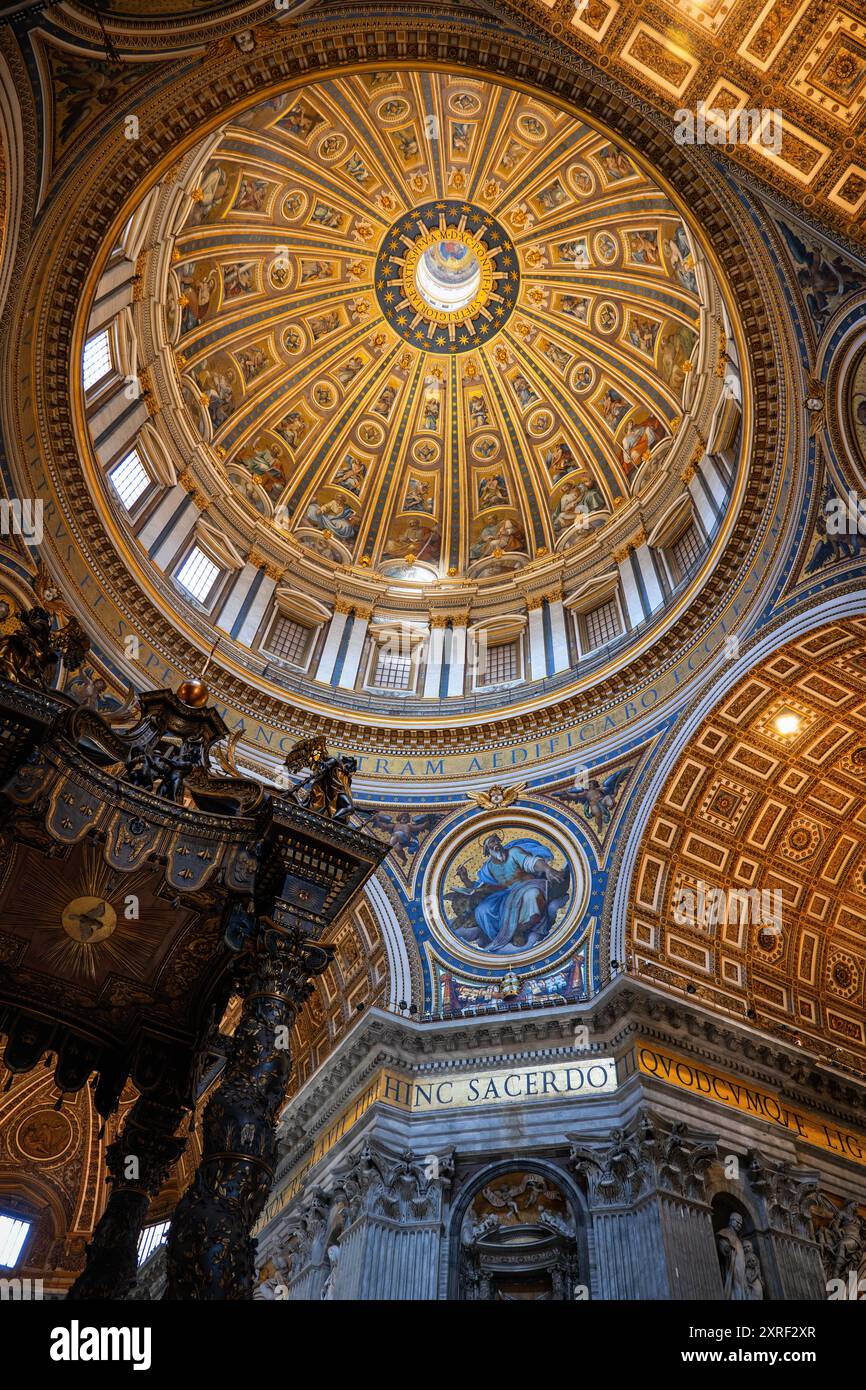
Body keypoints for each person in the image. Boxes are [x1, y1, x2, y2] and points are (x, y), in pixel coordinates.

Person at [445, 833, 569, 954]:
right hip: (506, 894)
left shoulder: (514, 852)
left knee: (532, 895)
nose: (496, 844)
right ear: (487, 851)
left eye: (496, 840)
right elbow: (479, 886)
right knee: (483, 910)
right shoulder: (488, 867)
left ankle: (520, 931)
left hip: (528, 885)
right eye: (491, 843)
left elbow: (531, 862)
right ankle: (502, 936)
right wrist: (464, 878)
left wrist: (547, 869)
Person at [716, 1211, 749, 1299]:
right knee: (734, 1287)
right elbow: (722, 1244)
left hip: (741, 1269)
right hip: (732, 1266)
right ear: (731, 1220)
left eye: (740, 1224)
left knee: (741, 1287)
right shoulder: (725, 1233)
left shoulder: (738, 1238)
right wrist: (726, 1249)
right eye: (737, 1222)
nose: (739, 1225)